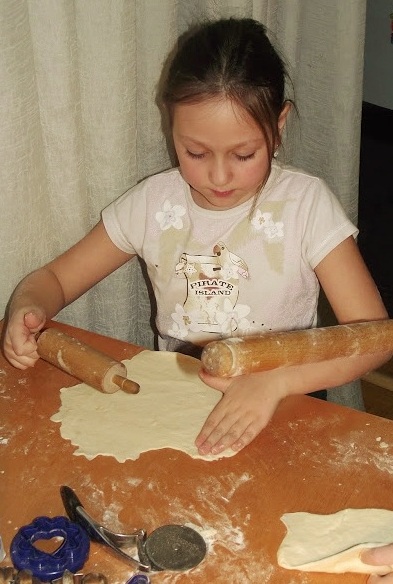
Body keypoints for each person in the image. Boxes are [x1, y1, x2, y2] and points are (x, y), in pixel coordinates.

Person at [2, 18, 391, 459]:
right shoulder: (153, 203)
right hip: (178, 404)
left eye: (244, 154)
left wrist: (276, 381)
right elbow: (55, 278)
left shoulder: (306, 205)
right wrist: (28, 307)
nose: (219, 176)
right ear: (171, 126)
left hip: (283, 404)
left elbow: (376, 337)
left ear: (279, 126)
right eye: (195, 153)